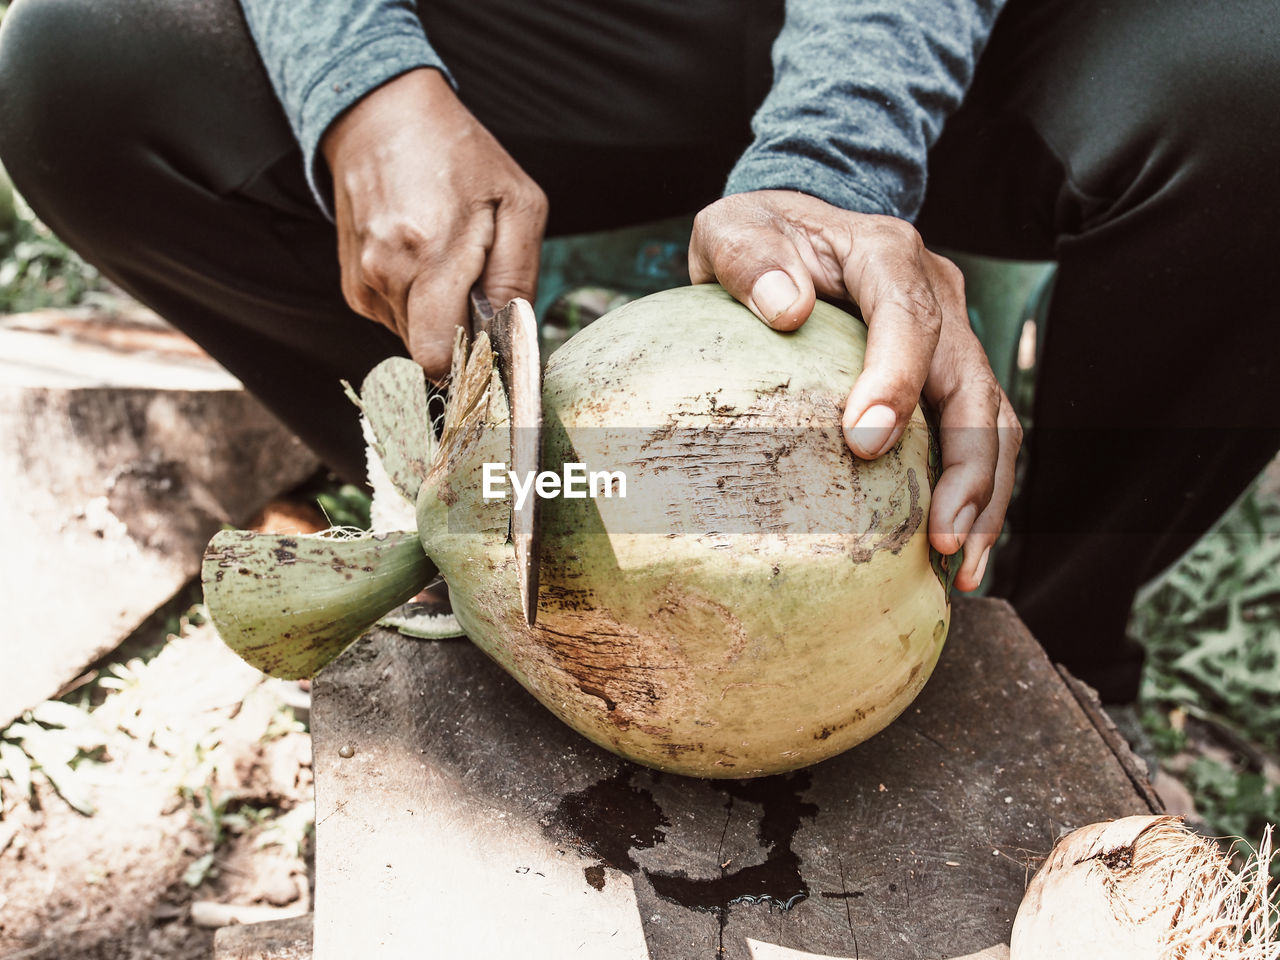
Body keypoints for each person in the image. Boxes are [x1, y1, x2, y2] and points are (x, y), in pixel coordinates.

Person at [1, 0, 1276, 704]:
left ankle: (1035, 643)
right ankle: (526, 516)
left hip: (964, 36)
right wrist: (360, 77)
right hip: (558, 36)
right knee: (81, 66)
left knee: (1253, 77)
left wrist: (828, 166)